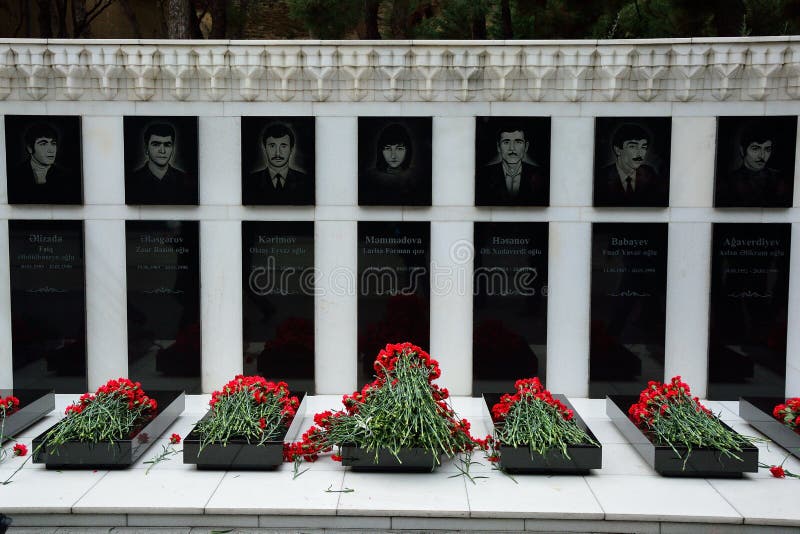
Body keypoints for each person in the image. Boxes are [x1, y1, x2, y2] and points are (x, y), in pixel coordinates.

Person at [715, 122, 790, 207]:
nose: (762, 155)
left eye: (767, 149)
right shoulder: (728, 182)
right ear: (742, 151)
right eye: (755, 149)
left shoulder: (779, 179)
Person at [595, 123, 667, 207]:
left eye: (643, 147)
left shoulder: (650, 174)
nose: (640, 154)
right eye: (632, 146)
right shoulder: (602, 177)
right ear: (618, 150)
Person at [476, 123, 547, 206]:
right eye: (506, 142)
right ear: (498, 147)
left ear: (526, 147)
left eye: (518, 142)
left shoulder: (540, 174)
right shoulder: (483, 175)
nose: (512, 148)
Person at [8, 122, 78, 204]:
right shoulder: (14, 175)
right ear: (30, 148)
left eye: (53, 143)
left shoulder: (67, 177)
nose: (51, 150)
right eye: (43, 144)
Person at [126, 123, 195, 205]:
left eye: (167, 145)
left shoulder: (186, 182)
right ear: (146, 149)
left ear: (173, 149)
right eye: (156, 144)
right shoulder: (132, 182)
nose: (162, 151)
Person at [244, 123, 311, 205]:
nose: (278, 153)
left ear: (291, 149)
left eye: (283, 146)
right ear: (265, 148)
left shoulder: (306, 182)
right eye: (272, 146)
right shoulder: (250, 182)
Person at [361, 123, 422, 204]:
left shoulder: (417, 179)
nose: (393, 156)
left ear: (408, 151)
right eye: (388, 149)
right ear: (380, 151)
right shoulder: (368, 179)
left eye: (399, 149)